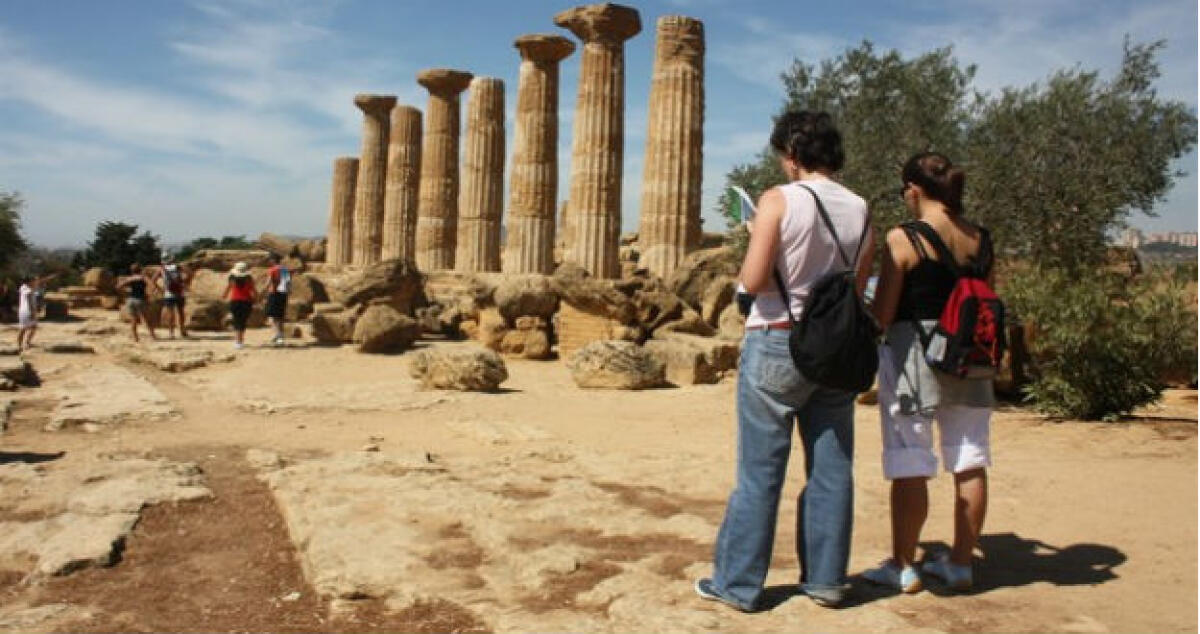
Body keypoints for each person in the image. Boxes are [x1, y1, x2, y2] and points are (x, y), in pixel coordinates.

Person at [696, 111, 873, 610]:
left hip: (777, 340)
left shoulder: (777, 200)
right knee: (833, 469)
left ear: (792, 154)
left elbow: (752, 281)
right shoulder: (860, 207)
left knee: (760, 471)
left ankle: (737, 585)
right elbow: (855, 285)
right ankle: (826, 581)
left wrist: (757, 232)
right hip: (835, 349)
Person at [861, 152, 995, 593]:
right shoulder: (981, 239)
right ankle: (960, 563)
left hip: (914, 357)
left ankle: (902, 564)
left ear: (914, 190)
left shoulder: (904, 238)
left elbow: (883, 313)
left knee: (910, 462)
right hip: (969, 356)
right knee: (970, 457)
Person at [116, 264, 158, 343]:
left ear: (132, 270)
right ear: (140, 270)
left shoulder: (130, 278)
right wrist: (151, 294)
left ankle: (135, 338)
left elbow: (118, 286)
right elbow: (152, 286)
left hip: (131, 299)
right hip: (141, 299)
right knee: (146, 318)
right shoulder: (143, 278)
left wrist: (127, 291)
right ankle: (153, 336)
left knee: (133, 319)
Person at [15, 273, 58, 352]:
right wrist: (32, 312)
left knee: (32, 327)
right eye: (33, 280)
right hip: (27, 310)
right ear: (29, 282)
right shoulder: (28, 289)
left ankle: (25, 343)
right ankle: (21, 344)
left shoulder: (23, 287)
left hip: (24, 310)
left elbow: (40, 281)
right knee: (24, 328)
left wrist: (51, 276)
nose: (35, 281)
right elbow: (29, 301)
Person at [223, 262, 256, 350]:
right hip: (247, 301)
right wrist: (256, 298)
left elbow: (228, 288)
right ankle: (240, 340)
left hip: (235, 300)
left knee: (237, 321)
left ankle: (238, 341)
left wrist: (224, 295)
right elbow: (253, 290)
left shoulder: (232, 279)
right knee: (243, 321)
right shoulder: (249, 279)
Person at [261, 253, 291, 346]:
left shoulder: (272, 270)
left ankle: (279, 336)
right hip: (283, 294)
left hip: (274, 293)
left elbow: (268, 282)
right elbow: (288, 283)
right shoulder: (285, 269)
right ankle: (278, 335)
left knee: (272, 317)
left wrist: (261, 292)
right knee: (280, 316)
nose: (269, 261)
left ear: (273, 260)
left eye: (270, 259)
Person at [158, 254, 190, 339]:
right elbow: (189, 273)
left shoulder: (162, 269)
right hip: (180, 293)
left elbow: (153, 280)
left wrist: (160, 290)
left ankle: (171, 333)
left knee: (170, 314)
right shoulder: (177, 267)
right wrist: (185, 283)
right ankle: (182, 330)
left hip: (168, 294)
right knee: (181, 313)